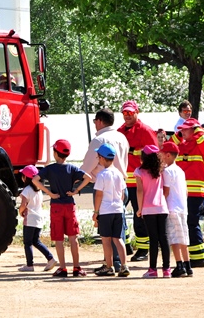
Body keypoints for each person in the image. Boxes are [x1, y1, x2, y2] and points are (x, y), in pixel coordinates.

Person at [32, 139, 91, 278]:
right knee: (73, 238)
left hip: (56, 205)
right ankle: (77, 267)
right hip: (69, 205)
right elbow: (88, 178)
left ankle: (63, 268)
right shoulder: (72, 168)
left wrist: (49, 193)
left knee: (59, 238)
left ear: (55, 153)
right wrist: (76, 190)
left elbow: (35, 179)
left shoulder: (50, 169)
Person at [80, 107, 130, 271]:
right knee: (118, 229)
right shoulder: (122, 137)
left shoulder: (99, 140)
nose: (95, 124)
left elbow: (87, 167)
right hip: (121, 184)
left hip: (103, 186)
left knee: (106, 233)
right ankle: (120, 263)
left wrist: (74, 181)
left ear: (100, 121)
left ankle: (111, 263)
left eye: (95, 121)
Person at [118, 100, 158, 262]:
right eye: (124, 113)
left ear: (137, 112)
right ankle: (125, 244)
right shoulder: (119, 131)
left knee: (139, 215)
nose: (127, 116)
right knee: (117, 213)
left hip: (137, 182)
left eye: (130, 113)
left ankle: (143, 249)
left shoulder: (145, 131)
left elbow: (154, 155)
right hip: (121, 180)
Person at [172, 118, 204, 267]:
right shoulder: (182, 145)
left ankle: (199, 257)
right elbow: (169, 146)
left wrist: (196, 129)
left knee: (191, 222)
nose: (182, 131)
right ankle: (196, 256)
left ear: (194, 130)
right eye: (181, 129)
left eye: (186, 129)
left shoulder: (202, 145)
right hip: (183, 190)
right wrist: (180, 134)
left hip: (196, 189)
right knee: (188, 223)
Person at [92, 144, 130, 277]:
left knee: (106, 240)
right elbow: (123, 193)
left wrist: (96, 212)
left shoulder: (102, 175)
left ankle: (109, 266)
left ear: (102, 158)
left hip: (106, 211)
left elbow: (99, 194)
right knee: (118, 238)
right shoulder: (119, 174)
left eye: (98, 156)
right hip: (118, 210)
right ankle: (124, 265)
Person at [134, 145, 170, 278]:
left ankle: (153, 269)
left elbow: (140, 190)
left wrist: (139, 208)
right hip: (162, 207)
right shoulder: (161, 170)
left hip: (148, 208)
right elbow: (165, 190)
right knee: (164, 238)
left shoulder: (139, 171)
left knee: (153, 239)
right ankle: (166, 269)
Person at [17, 165, 57, 272]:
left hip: (30, 218)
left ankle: (29, 265)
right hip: (39, 218)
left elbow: (23, 204)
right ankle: (50, 258)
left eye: (23, 175)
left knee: (28, 242)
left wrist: (20, 212)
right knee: (36, 241)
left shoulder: (27, 190)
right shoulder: (39, 190)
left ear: (26, 178)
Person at [161, 141, 192, 278]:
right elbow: (185, 191)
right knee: (183, 237)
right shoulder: (180, 170)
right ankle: (188, 265)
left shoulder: (167, 171)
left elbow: (166, 191)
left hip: (172, 207)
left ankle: (179, 265)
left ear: (168, 155)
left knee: (174, 238)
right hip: (182, 207)